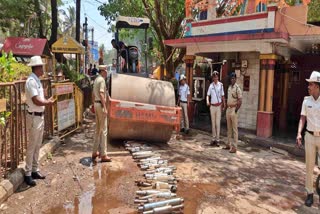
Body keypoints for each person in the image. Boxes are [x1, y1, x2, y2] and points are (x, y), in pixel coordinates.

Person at [25, 56, 55, 186]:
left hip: (39, 116)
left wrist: (46, 101)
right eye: (41, 67)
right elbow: (36, 100)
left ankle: (34, 169)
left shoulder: (37, 80)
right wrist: (48, 103)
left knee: (38, 144)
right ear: (37, 68)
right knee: (32, 145)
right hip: (34, 116)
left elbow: (39, 98)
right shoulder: (31, 81)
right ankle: (27, 173)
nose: (43, 69)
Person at [296, 71, 320, 207]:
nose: (308, 86)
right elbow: (302, 118)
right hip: (309, 136)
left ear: (317, 86)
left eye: (311, 84)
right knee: (309, 167)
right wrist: (299, 133)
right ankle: (310, 194)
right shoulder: (306, 100)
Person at [92, 65, 112, 164]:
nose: (107, 72)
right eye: (106, 70)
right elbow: (101, 93)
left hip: (96, 104)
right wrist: (105, 107)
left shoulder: (96, 80)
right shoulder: (102, 80)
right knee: (104, 130)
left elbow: (93, 94)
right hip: (100, 105)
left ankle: (94, 152)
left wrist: (93, 105)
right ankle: (103, 155)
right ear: (102, 71)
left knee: (98, 129)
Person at [206, 71, 225, 147]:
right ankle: (213, 139)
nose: (215, 78)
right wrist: (207, 101)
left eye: (216, 76)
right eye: (214, 77)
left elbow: (223, 96)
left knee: (217, 123)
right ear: (213, 78)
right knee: (213, 124)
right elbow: (208, 95)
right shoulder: (211, 86)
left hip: (218, 106)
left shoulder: (221, 85)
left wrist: (224, 104)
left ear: (218, 77)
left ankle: (218, 140)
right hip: (212, 107)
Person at [225, 72, 242, 153]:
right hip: (228, 109)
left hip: (233, 109)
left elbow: (240, 101)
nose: (232, 79)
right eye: (231, 78)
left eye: (233, 78)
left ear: (235, 79)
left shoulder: (237, 88)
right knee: (228, 128)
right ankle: (228, 144)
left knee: (234, 129)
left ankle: (235, 147)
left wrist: (236, 110)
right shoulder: (229, 87)